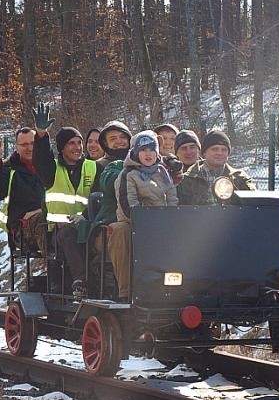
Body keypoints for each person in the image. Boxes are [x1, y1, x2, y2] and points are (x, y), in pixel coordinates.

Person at [31, 103, 102, 293]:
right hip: (58, 233)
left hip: (88, 226)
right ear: (62, 148)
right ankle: (82, 282)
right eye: (71, 143)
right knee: (68, 234)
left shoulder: (93, 167)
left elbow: (100, 197)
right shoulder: (52, 169)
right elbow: (41, 159)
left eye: (79, 143)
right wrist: (41, 135)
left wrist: (86, 218)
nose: (77, 147)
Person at [109, 131, 178, 301]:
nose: (148, 154)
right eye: (143, 150)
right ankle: (126, 291)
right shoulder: (128, 175)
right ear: (135, 152)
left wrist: (169, 221)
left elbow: (172, 199)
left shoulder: (164, 173)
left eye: (152, 150)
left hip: (163, 222)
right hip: (136, 224)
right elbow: (128, 206)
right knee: (121, 230)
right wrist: (148, 223)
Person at [0, 128, 46, 253]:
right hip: (22, 231)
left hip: (52, 223)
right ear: (16, 147)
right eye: (24, 145)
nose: (29, 148)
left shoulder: (49, 167)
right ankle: (56, 270)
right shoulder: (9, 170)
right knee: (45, 223)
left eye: (32, 143)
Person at [177, 130, 256, 206]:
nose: (219, 153)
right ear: (204, 153)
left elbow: (255, 206)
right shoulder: (186, 180)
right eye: (214, 149)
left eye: (224, 149)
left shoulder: (240, 179)